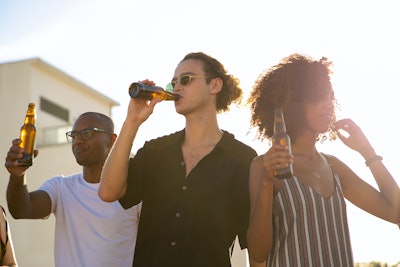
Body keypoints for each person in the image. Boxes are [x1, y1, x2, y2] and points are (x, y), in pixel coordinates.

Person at [99, 52, 257, 267]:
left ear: (215, 86)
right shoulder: (156, 150)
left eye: (186, 79)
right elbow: (108, 192)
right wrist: (132, 121)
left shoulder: (243, 159)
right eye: (173, 83)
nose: (177, 88)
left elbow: (256, 248)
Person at [246, 53, 400, 266]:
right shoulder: (263, 166)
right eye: (318, 97)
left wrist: (367, 151)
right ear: (293, 104)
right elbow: (257, 254)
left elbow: (396, 212)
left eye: (330, 97)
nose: (329, 105)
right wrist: (265, 181)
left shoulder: (333, 166)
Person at [5, 112, 141, 267]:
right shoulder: (60, 188)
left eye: (88, 133)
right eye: (74, 135)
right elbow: (21, 210)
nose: (78, 141)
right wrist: (17, 176)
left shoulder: (134, 192)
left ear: (112, 140)